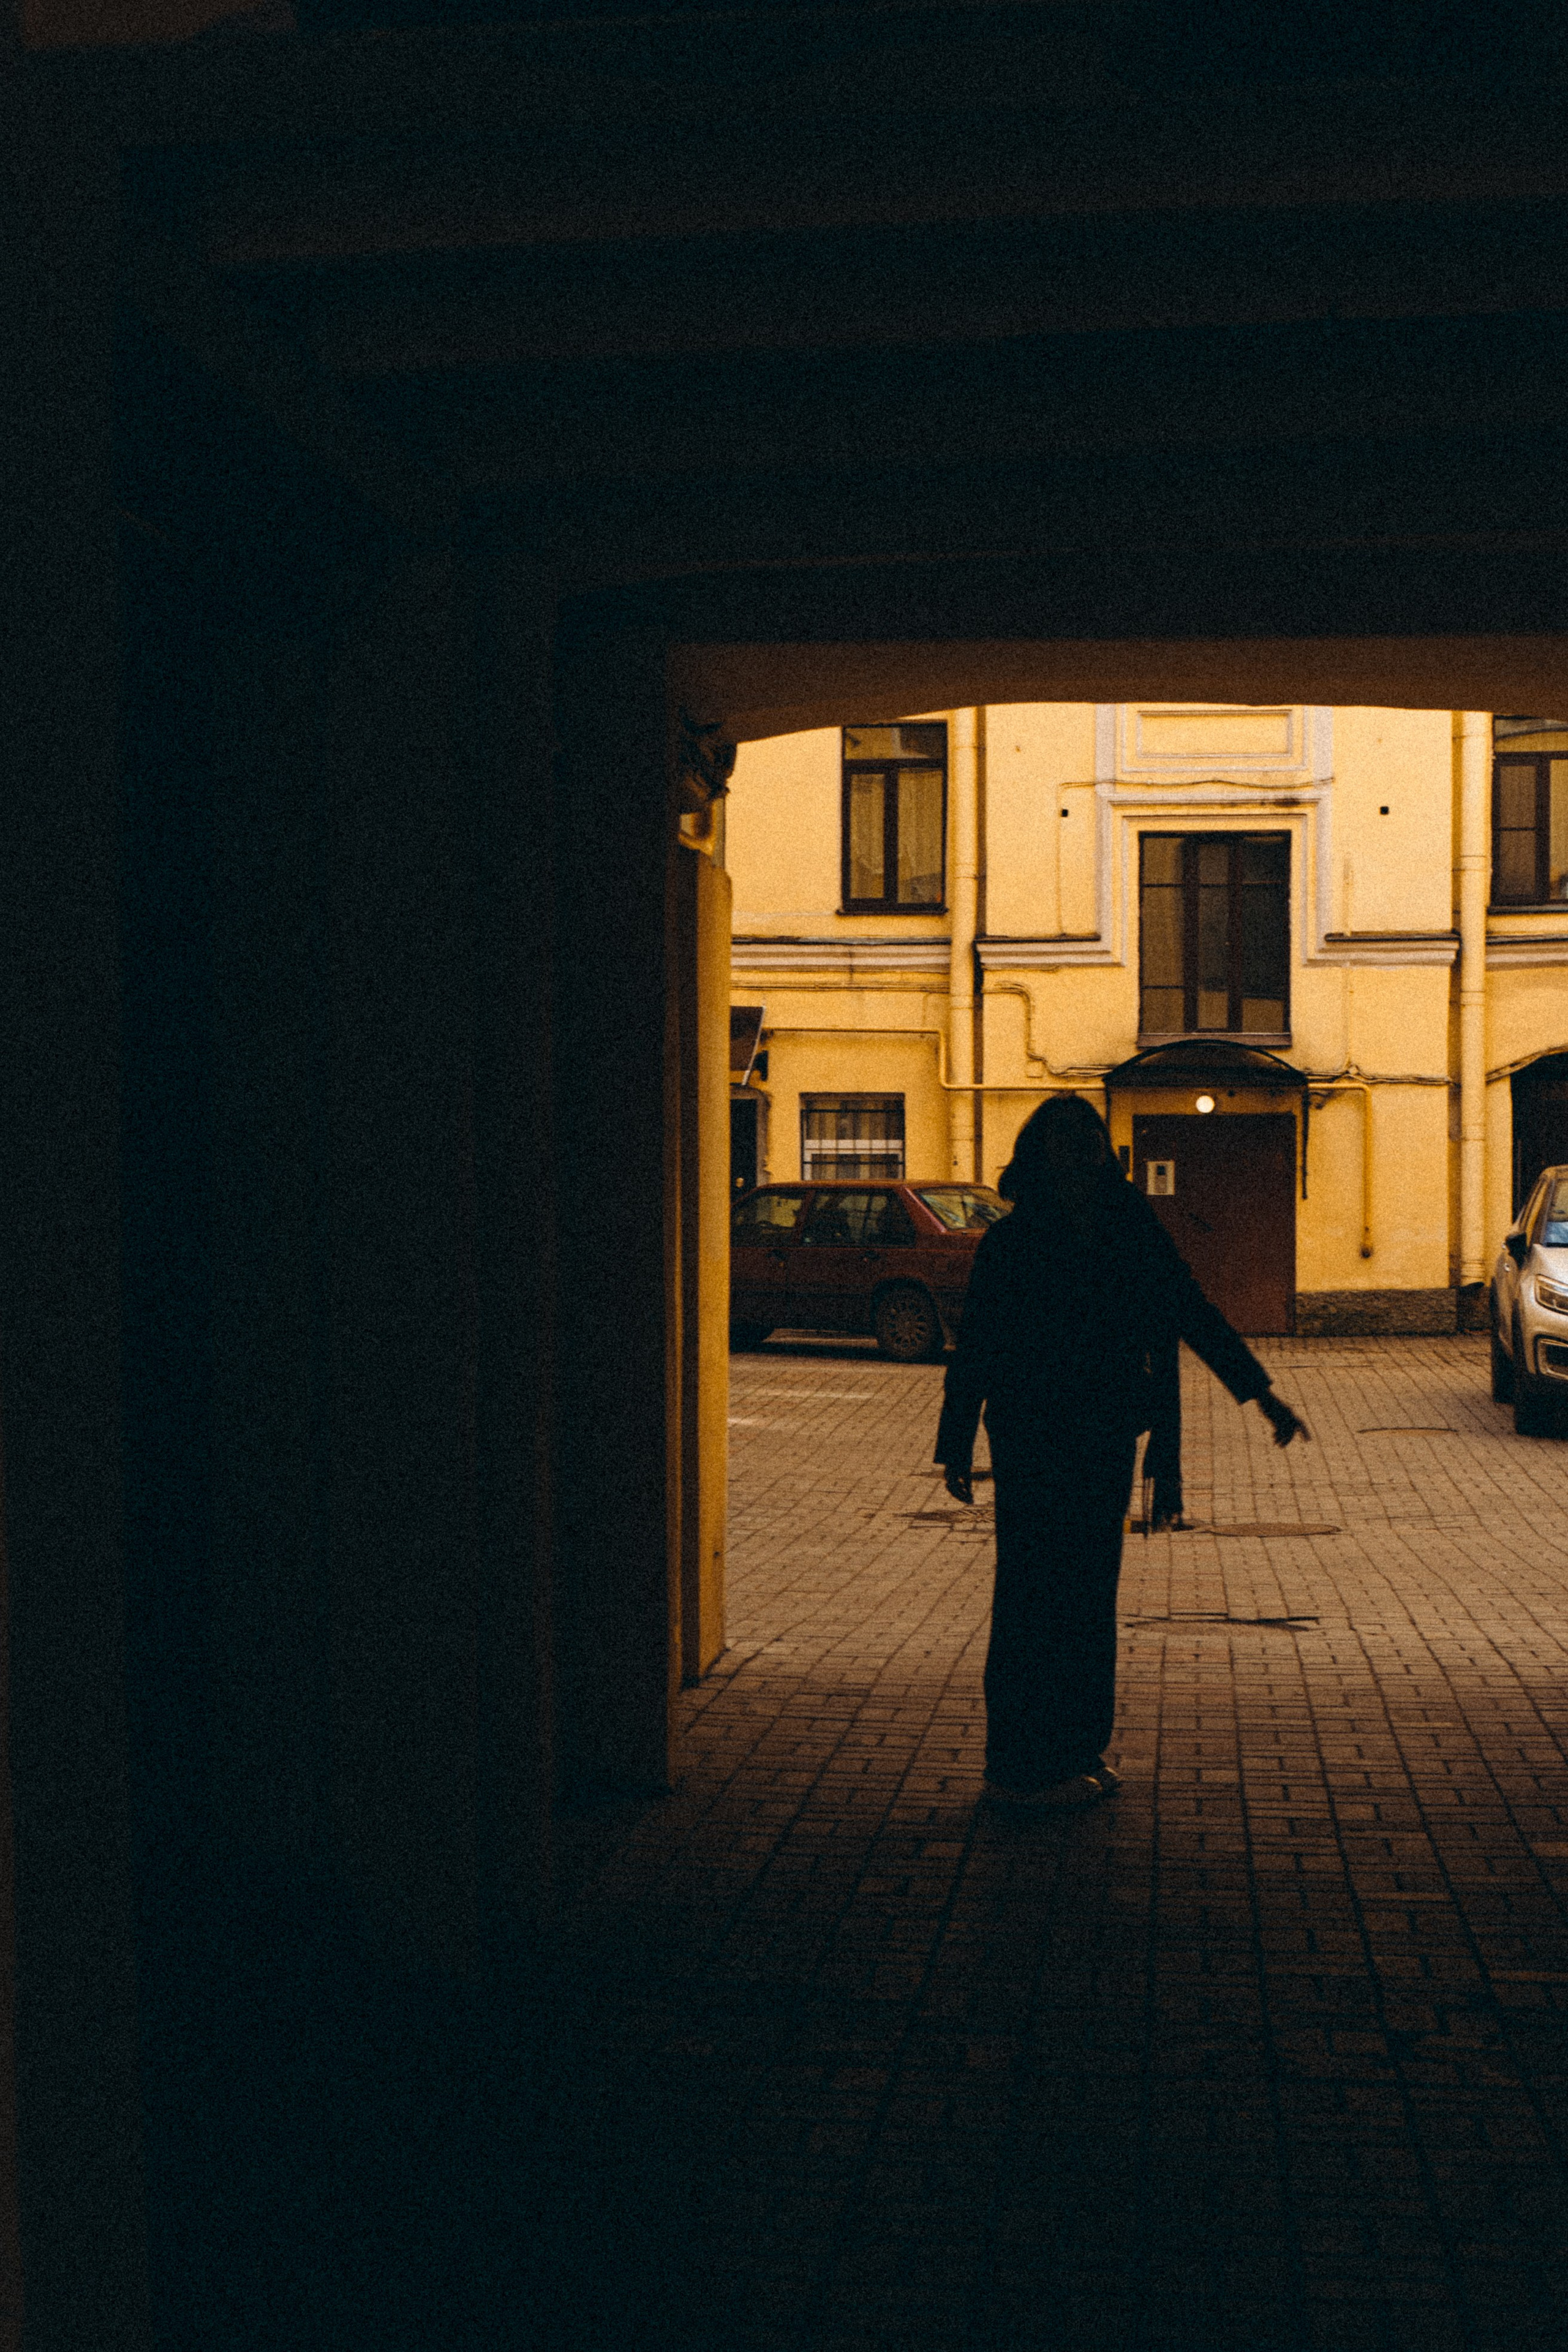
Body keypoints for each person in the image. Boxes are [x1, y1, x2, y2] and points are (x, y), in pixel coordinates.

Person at [935, 1093, 1308, 1811]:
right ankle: (1019, 1761)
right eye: (1065, 1144)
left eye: (1087, 1143)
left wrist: (1259, 1393)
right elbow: (979, 1344)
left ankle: (1069, 1751)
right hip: (1042, 1441)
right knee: (1035, 1600)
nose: (1079, 1157)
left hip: (1090, 1439)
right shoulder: (1019, 1240)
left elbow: (1189, 1309)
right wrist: (954, 1441)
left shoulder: (1121, 1230)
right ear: (1040, 1155)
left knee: (1074, 1599)